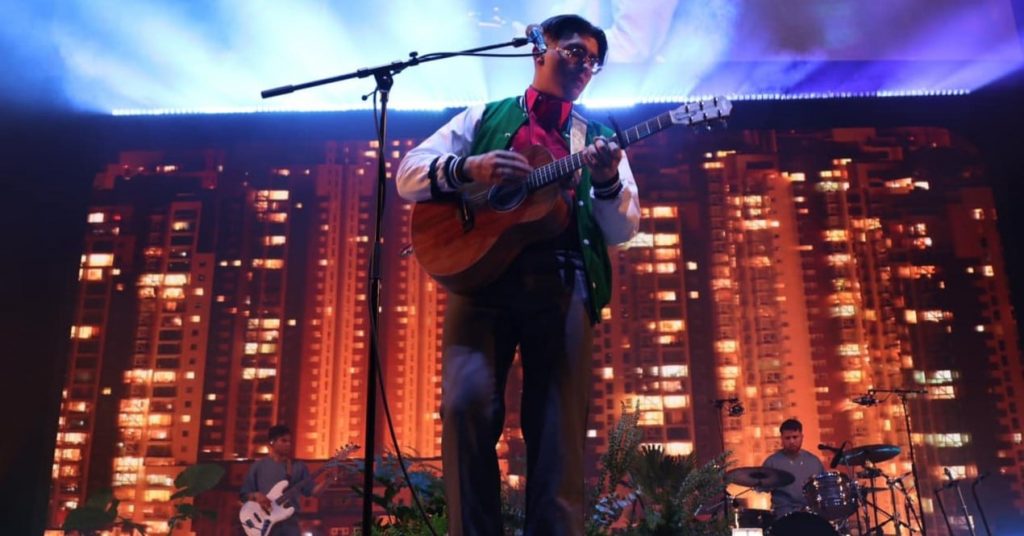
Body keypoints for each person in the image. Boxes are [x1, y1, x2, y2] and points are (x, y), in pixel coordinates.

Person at [395, 13, 640, 536]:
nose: (585, 66)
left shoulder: (598, 137)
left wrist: (605, 181)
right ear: (539, 49)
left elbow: (622, 229)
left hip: (563, 281)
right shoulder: (485, 115)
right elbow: (409, 173)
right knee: (464, 410)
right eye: (574, 52)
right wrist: (469, 168)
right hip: (480, 277)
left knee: (557, 430)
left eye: (593, 62)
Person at [239, 425, 336, 536]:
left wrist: (328, 480)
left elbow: (314, 492)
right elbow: (243, 495)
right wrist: (257, 496)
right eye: (284, 441)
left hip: (290, 525)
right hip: (265, 525)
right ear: (272, 442)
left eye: (289, 441)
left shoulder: (298, 466)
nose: (288, 444)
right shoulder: (258, 467)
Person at [762, 418, 825, 517]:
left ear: (802, 437)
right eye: (787, 438)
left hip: (810, 513)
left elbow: (823, 488)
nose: (791, 441)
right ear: (782, 439)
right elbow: (762, 486)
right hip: (783, 514)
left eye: (795, 437)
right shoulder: (772, 462)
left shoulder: (814, 461)